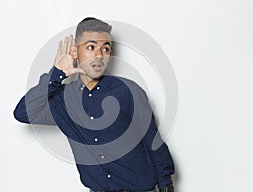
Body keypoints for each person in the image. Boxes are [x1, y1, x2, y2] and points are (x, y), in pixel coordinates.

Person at [13, 17, 175, 192]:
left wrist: (166, 183)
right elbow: (23, 113)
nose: (99, 55)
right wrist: (57, 74)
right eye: (91, 47)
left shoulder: (128, 91)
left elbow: (152, 139)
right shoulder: (63, 100)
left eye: (105, 48)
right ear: (75, 52)